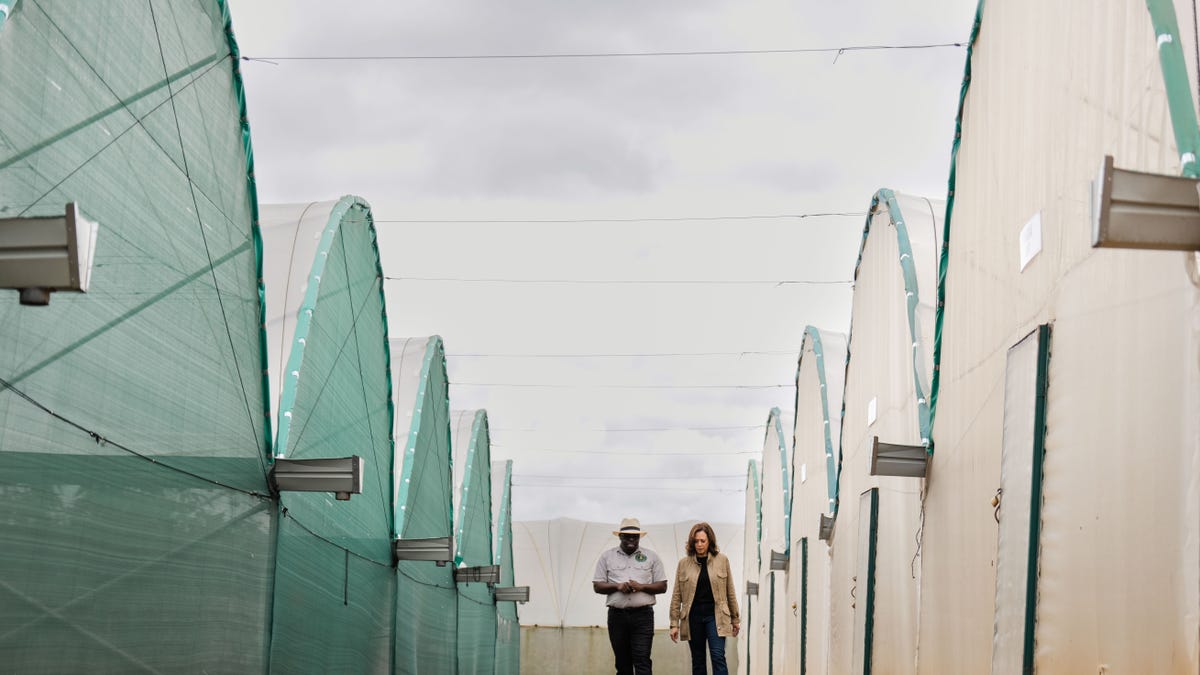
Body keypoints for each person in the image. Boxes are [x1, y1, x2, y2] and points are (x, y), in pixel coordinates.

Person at [593, 517, 668, 675]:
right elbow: (597, 586)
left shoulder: (652, 557)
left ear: (639, 537)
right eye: (627, 536)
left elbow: (662, 586)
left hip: (643, 616)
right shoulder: (607, 557)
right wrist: (617, 586)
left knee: (642, 660)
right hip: (617, 616)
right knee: (622, 662)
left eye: (635, 536)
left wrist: (641, 587)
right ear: (620, 536)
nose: (631, 539)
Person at [668, 522, 740, 675]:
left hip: (716, 616)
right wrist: (674, 623)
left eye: (703, 541)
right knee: (698, 660)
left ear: (710, 541)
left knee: (717, 655)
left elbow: (730, 592)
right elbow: (677, 595)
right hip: (693, 617)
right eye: (696, 541)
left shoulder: (722, 560)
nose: (699, 544)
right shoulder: (683, 564)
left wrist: (735, 619)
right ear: (692, 542)